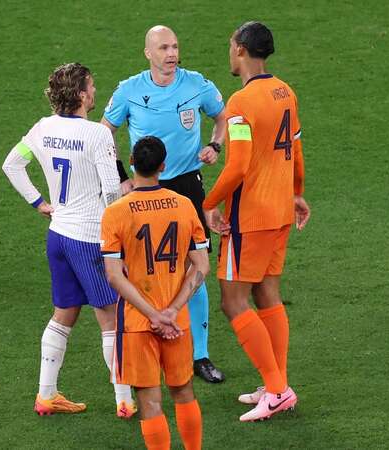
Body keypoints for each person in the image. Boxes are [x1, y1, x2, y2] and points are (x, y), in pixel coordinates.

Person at [1, 62, 136, 418]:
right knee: (111, 316)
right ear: (80, 95)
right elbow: (111, 189)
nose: (95, 92)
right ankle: (124, 399)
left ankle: (46, 395)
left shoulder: (43, 128)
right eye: (91, 87)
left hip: (58, 235)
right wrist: (118, 229)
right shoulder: (97, 135)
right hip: (90, 239)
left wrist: (40, 203)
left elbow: (12, 165)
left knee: (64, 313)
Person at [101, 25, 227, 383]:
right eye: (163, 48)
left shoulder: (196, 85)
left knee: (195, 267)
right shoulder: (129, 91)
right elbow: (104, 132)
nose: (171, 54)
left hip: (187, 186)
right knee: (144, 267)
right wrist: (119, 175)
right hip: (145, 188)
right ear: (148, 53)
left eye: (174, 47)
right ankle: (146, 341)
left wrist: (215, 145)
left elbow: (222, 117)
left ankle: (199, 354)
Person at [202, 21, 312, 422]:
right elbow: (296, 151)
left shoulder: (241, 102)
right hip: (281, 210)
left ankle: (278, 390)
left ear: (243, 51)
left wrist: (208, 203)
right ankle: (276, 384)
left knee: (234, 301)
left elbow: (238, 166)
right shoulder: (285, 91)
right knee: (268, 295)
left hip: (249, 217)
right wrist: (297, 193)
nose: (229, 50)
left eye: (231, 44)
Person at [101, 136, 209, 450]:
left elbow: (112, 275)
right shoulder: (184, 205)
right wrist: (172, 311)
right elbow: (200, 266)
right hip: (178, 322)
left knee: (149, 401)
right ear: (162, 166)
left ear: (132, 164)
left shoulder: (116, 212)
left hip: (137, 323)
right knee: (184, 392)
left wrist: (153, 315)